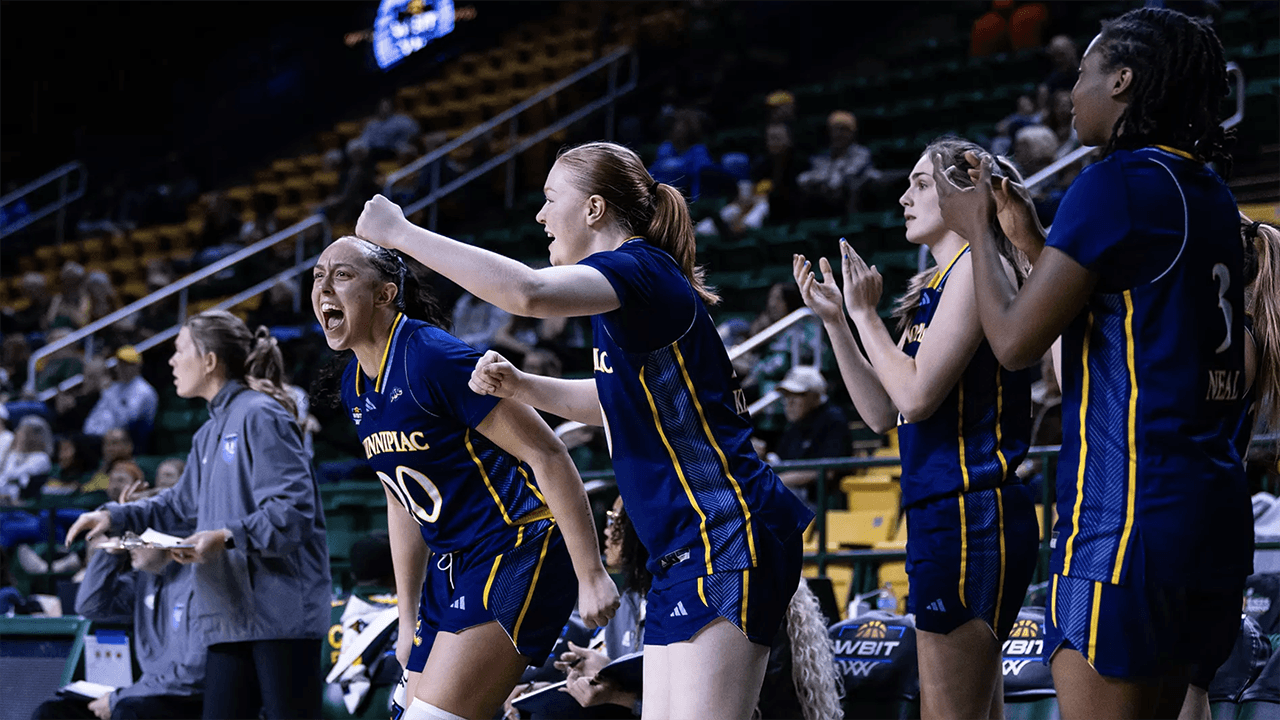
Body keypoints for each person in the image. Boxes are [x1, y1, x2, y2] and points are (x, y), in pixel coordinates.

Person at [355, 139, 815, 720]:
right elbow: (614, 401)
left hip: (727, 529)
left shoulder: (640, 268)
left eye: (551, 200)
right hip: (680, 546)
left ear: (594, 209)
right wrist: (523, 386)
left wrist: (401, 233)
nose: (542, 216)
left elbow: (526, 293)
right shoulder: (618, 295)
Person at [930, 8, 1243, 718]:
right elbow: (1121, 312)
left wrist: (978, 227)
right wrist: (1033, 240)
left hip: (1124, 520)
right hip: (1206, 512)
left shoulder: (1115, 182)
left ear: (1124, 81)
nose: (1072, 92)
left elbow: (1014, 342)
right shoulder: (1207, 189)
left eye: (1083, 74)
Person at [310, 236, 619, 720]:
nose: (324, 286)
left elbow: (548, 452)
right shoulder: (355, 384)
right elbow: (401, 502)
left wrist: (591, 573)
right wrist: (408, 618)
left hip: (517, 546)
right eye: (318, 276)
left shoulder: (432, 357)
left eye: (342, 274)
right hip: (450, 565)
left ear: (385, 294)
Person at [794, 136, 1038, 720]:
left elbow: (918, 395)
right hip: (947, 511)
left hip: (969, 510)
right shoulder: (937, 283)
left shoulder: (976, 272)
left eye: (921, 184)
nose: (905, 197)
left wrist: (865, 315)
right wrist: (837, 322)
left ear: (961, 194)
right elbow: (884, 412)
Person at [65, 310, 331, 720]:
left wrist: (224, 536)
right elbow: (177, 506)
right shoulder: (208, 431)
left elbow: (294, 512)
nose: (171, 361)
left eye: (179, 350)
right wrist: (115, 516)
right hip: (225, 613)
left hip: (281, 618)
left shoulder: (259, 414)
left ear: (209, 361)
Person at [1180, 215, 1280, 720]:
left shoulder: (1231, 335)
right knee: (1187, 684)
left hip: (1201, 518)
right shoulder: (1230, 331)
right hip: (1206, 516)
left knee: (1187, 681)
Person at [31, 536, 204, 720]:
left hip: (185, 701)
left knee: (128, 711)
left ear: (163, 535)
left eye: (134, 536)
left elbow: (192, 677)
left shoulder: (199, 582)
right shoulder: (142, 580)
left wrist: (117, 699)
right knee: (51, 713)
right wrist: (109, 554)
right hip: (143, 696)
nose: (127, 544)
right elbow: (90, 606)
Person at [768, 366, 852, 511]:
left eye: (796, 395)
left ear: (815, 395)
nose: (789, 403)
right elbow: (779, 460)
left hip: (819, 502)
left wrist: (777, 481)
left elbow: (828, 471)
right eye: (786, 396)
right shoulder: (795, 425)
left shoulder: (833, 419)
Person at [82, 346, 159, 450]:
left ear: (137, 366)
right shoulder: (114, 387)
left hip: (131, 439)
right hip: (103, 436)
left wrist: (107, 392)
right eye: (120, 364)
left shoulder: (144, 391)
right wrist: (88, 432)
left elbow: (125, 421)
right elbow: (98, 413)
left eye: (127, 365)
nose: (121, 368)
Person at [0, 415, 53, 504]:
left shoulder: (42, 458)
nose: (17, 435)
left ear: (34, 437)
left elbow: (15, 477)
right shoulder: (14, 455)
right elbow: (4, 478)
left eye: (23, 432)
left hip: (26, 506)